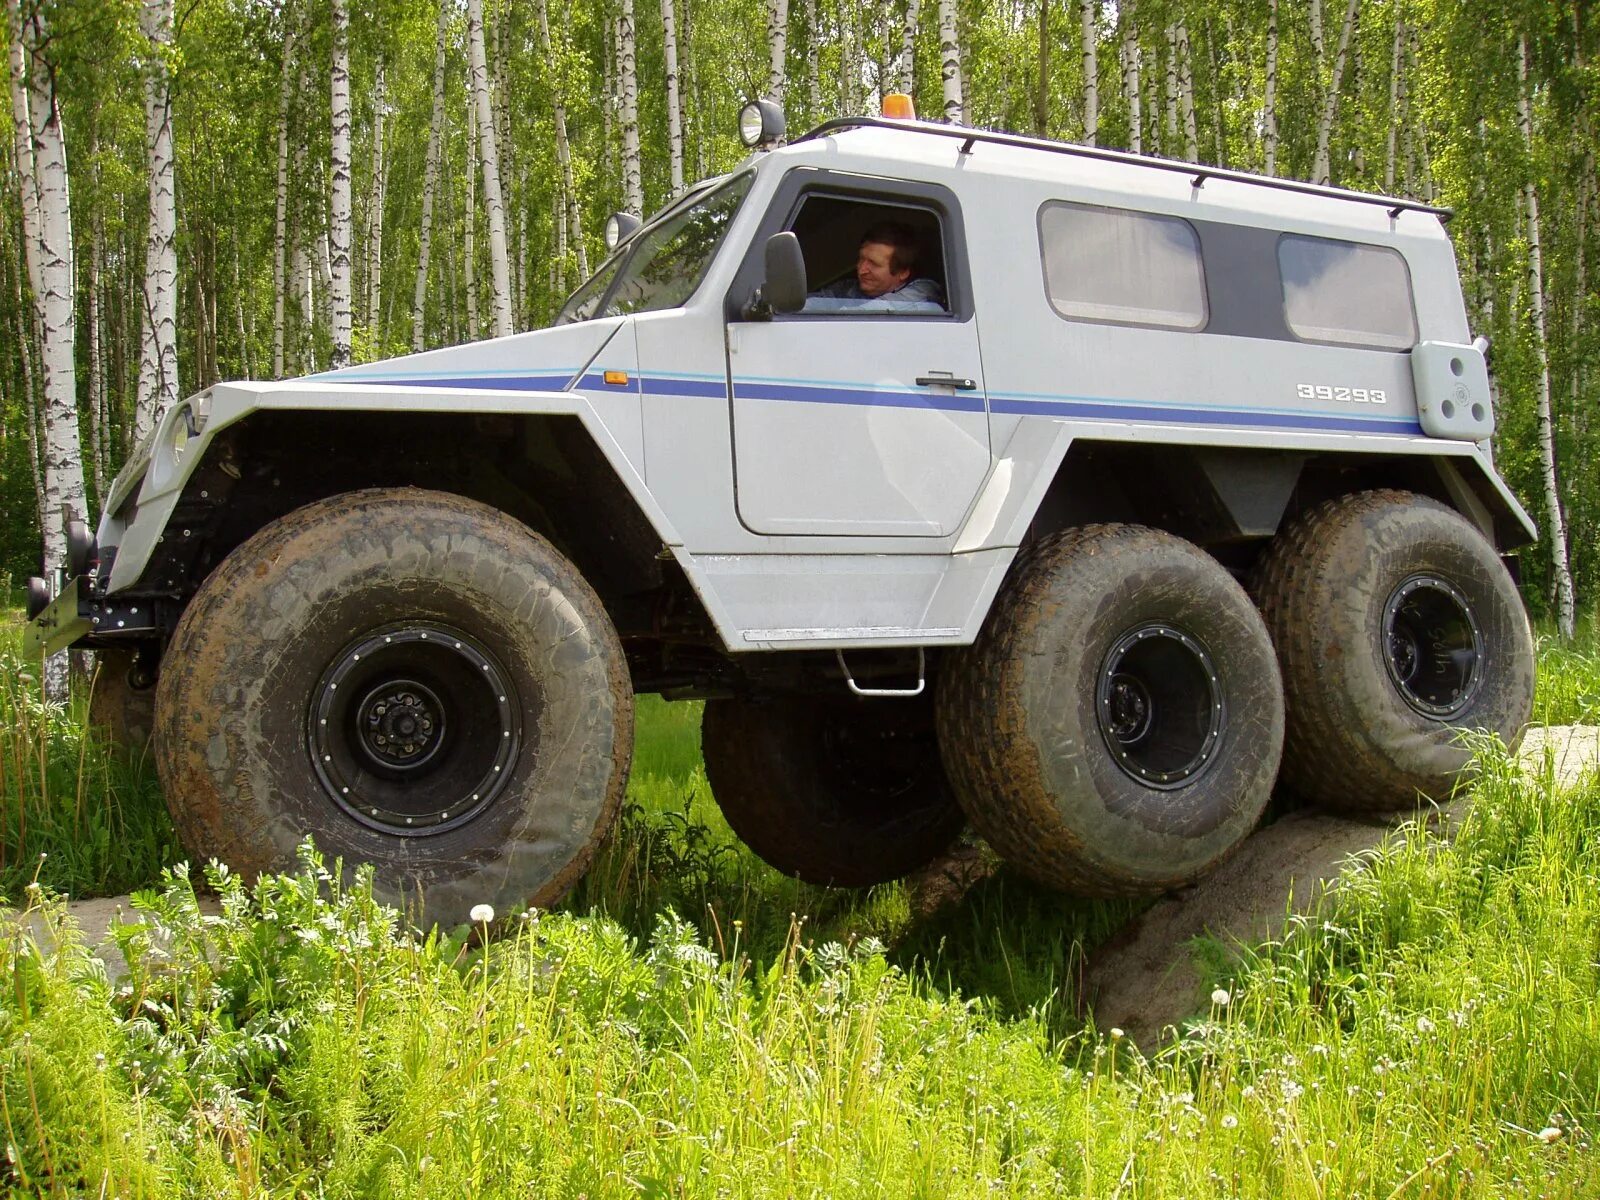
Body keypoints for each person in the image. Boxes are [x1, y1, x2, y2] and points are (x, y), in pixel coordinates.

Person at [802, 221, 946, 314]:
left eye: (874, 264)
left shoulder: (921, 299)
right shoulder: (848, 288)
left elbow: (885, 310)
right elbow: (810, 304)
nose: (861, 270)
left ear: (902, 273)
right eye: (861, 259)